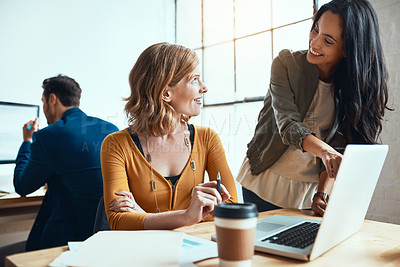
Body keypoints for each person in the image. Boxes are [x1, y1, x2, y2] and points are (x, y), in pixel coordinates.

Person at [236, 0, 390, 216]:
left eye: (327, 40)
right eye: (315, 30)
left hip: (307, 193)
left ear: (348, 49)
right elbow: (288, 126)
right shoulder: (286, 63)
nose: (314, 43)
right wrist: (326, 152)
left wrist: (322, 193)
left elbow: (339, 148)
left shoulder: (352, 90)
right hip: (263, 183)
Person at [101, 42, 238, 230]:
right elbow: (118, 221)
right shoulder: (117, 144)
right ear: (166, 93)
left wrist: (141, 216)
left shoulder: (207, 138)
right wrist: (188, 216)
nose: (204, 88)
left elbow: (231, 207)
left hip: (196, 249)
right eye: (194, 80)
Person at [13, 74, 119, 251]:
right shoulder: (111, 129)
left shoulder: (48, 136)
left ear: (52, 99)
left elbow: (22, 186)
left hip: (66, 239)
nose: (44, 108)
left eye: (43, 102)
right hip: (106, 236)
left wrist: (27, 141)